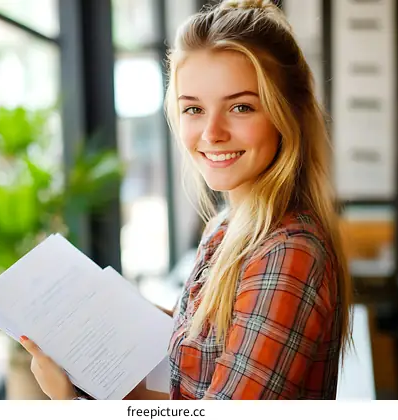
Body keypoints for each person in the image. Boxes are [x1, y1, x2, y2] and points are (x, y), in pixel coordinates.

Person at [19, 0, 353, 400]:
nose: (212, 133)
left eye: (241, 107)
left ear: (289, 113)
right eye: (193, 108)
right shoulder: (225, 229)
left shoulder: (287, 253)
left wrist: (70, 402)